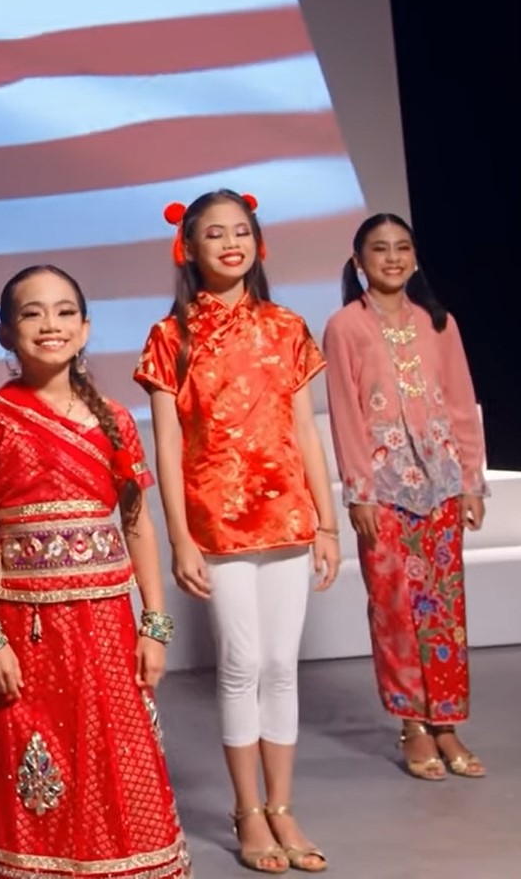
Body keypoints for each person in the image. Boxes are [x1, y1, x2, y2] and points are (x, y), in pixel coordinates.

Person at [0, 265, 189, 879]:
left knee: (117, 762)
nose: (49, 325)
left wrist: (155, 624)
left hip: (107, 627)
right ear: (5, 333)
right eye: (31, 313)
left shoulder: (114, 419)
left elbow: (137, 525)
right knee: (33, 766)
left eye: (63, 312)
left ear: (84, 329)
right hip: (25, 630)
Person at [136, 191, 339, 874]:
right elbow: (167, 446)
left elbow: (305, 428)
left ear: (259, 242)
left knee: (281, 666)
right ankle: (247, 811)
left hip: (288, 517)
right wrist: (179, 537)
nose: (231, 244)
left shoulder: (287, 326)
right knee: (242, 664)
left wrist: (327, 521)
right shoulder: (170, 337)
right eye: (215, 234)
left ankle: (283, 807)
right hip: (217, 525)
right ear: (188, 249)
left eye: (241, 232)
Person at [322, 213, 489, 781]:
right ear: (359, 261)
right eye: (380, 248)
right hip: (384, 488)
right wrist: (359, 491)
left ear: (415, 258)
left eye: (402, 247)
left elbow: (461, 402)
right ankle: (411, 723)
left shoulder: (438, 322)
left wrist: (470, 480)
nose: (392, 258)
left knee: (444, 609)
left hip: (440, 485)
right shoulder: (345, 326)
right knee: (393, 608)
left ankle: (447, 721)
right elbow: (345, 412)